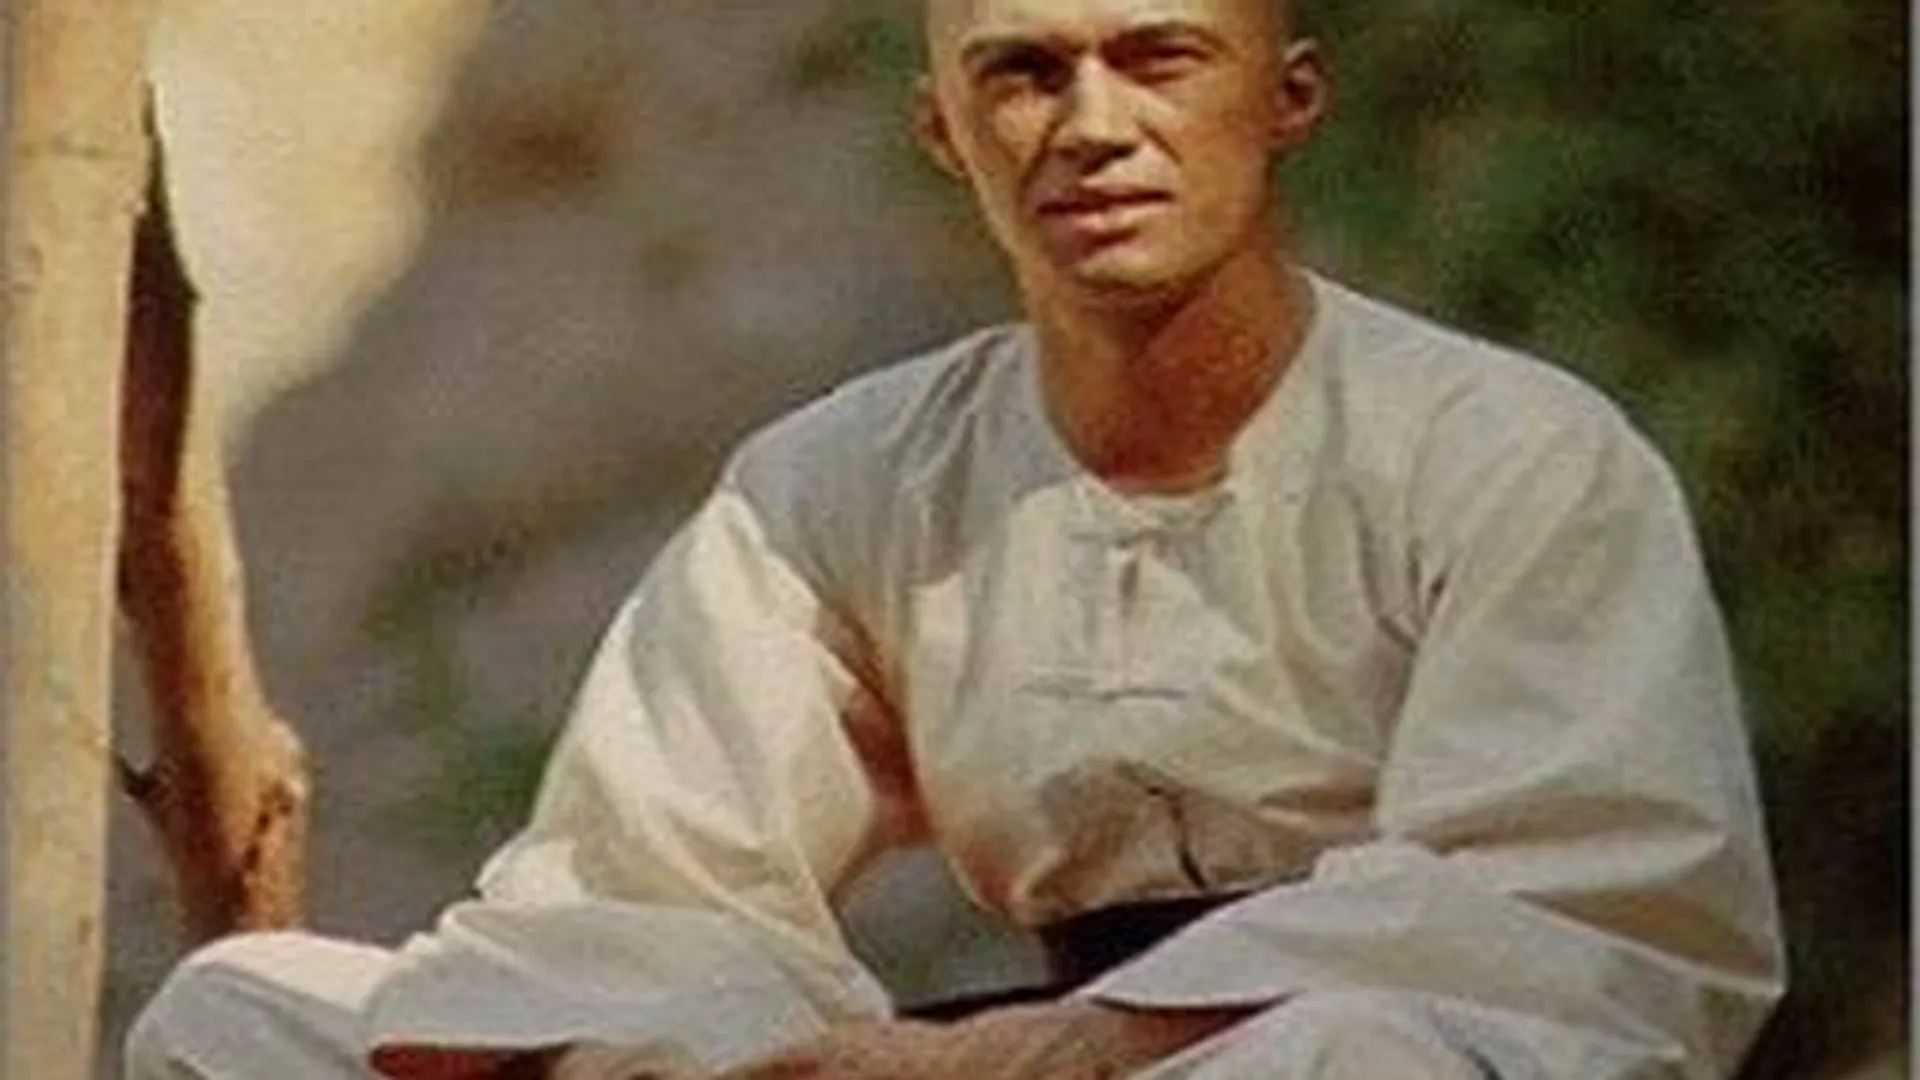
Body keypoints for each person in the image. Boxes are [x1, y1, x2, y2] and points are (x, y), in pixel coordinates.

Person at [127, 0, 1786, 1076]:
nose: (1092, 125)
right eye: (1023, 74)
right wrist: (731, 1051)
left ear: (1286, 100)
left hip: (1357, 1039)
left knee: (1351, 1060)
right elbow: (653, 886)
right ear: (945, 131)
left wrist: (1085, 1046)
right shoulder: (844, 478)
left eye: (1159, 59)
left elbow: (1587, 914)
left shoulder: (1513, 453)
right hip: (983, 1062)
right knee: (245, 1014)